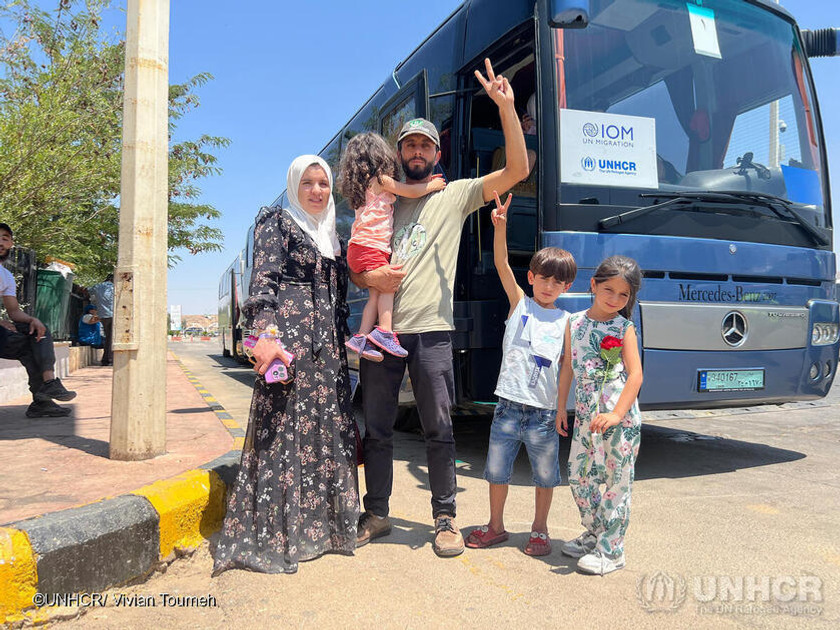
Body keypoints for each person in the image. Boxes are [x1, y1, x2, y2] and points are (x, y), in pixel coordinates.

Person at [351, 58, 530, 557]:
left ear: (437, 152)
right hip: (381, 336)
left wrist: (508, 110)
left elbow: (519, 169)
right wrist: (370, 276)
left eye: (425, 145)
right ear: (399, 152)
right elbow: (357, 260)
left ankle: (445, 518)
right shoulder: (380, 197)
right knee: (379, 429)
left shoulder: (454, 195)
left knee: (440, 429)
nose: (416, 151)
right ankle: (378, 513)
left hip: (431, 331)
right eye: (408, 144)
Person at [213, 155, 359, 575]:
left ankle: (324, 531)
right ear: (295, 186)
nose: (317, 191)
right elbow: (262, 284)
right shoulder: (276, 222)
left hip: (328, 349)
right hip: (288, 345)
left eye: (324, 184)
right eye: (308, 183)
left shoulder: (335, 235)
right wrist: (266, 336)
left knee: (325, 429)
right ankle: (281, 535)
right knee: (282, 432)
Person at [465, 192, 576, 556]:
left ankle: (540, 529)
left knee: (546, 476)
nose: (548, 286)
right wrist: (500, 227)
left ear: (567, 287)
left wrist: (562, 408)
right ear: (531, 277)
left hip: (544, 413)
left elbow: (566, 367)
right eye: (543, 278)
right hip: (509, 407)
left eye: (557, 283)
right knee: (497, 471)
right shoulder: (519, 304)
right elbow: (500, 263)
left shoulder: (566, 321)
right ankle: (496, 526)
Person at [556, 255, 643, 575]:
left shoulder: (624, 327)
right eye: (609, 290)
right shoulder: (574, 322)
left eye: (624, 295)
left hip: (619, 419)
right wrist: (560, 408)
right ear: (593, 285)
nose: (616, 300)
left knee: (615, 482)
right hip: (584, 417)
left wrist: (617, 415)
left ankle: (612, 549)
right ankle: (594, 532)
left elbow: (635, 376)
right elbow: (568, 366)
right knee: (580, 476)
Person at [339, 132, 446, 362]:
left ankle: (361, 337)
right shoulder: (381, 180)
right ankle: (385, 331)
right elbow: (410, 191)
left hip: (358, 248)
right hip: (371, 246)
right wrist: (432, 185)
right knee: (387, 285)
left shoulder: (363, 186)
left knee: (375, 295)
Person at [0, 222, 76, 418]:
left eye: (4, 238)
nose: (0, 242)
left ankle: (47, 388)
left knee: (36, 333)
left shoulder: (6, 276)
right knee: (29, 345)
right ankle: (44, 396)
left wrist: (34, 319)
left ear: (10, 244)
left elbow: (14, 311)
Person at [88, 274, 114, 366]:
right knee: (111, 337)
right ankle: (108, 359)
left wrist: (97, 302)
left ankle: (106, 359)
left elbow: (89, 291)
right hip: (114, 314)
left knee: (108, 337)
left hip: (103, 315)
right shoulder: (115, 287)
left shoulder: (98, 286)